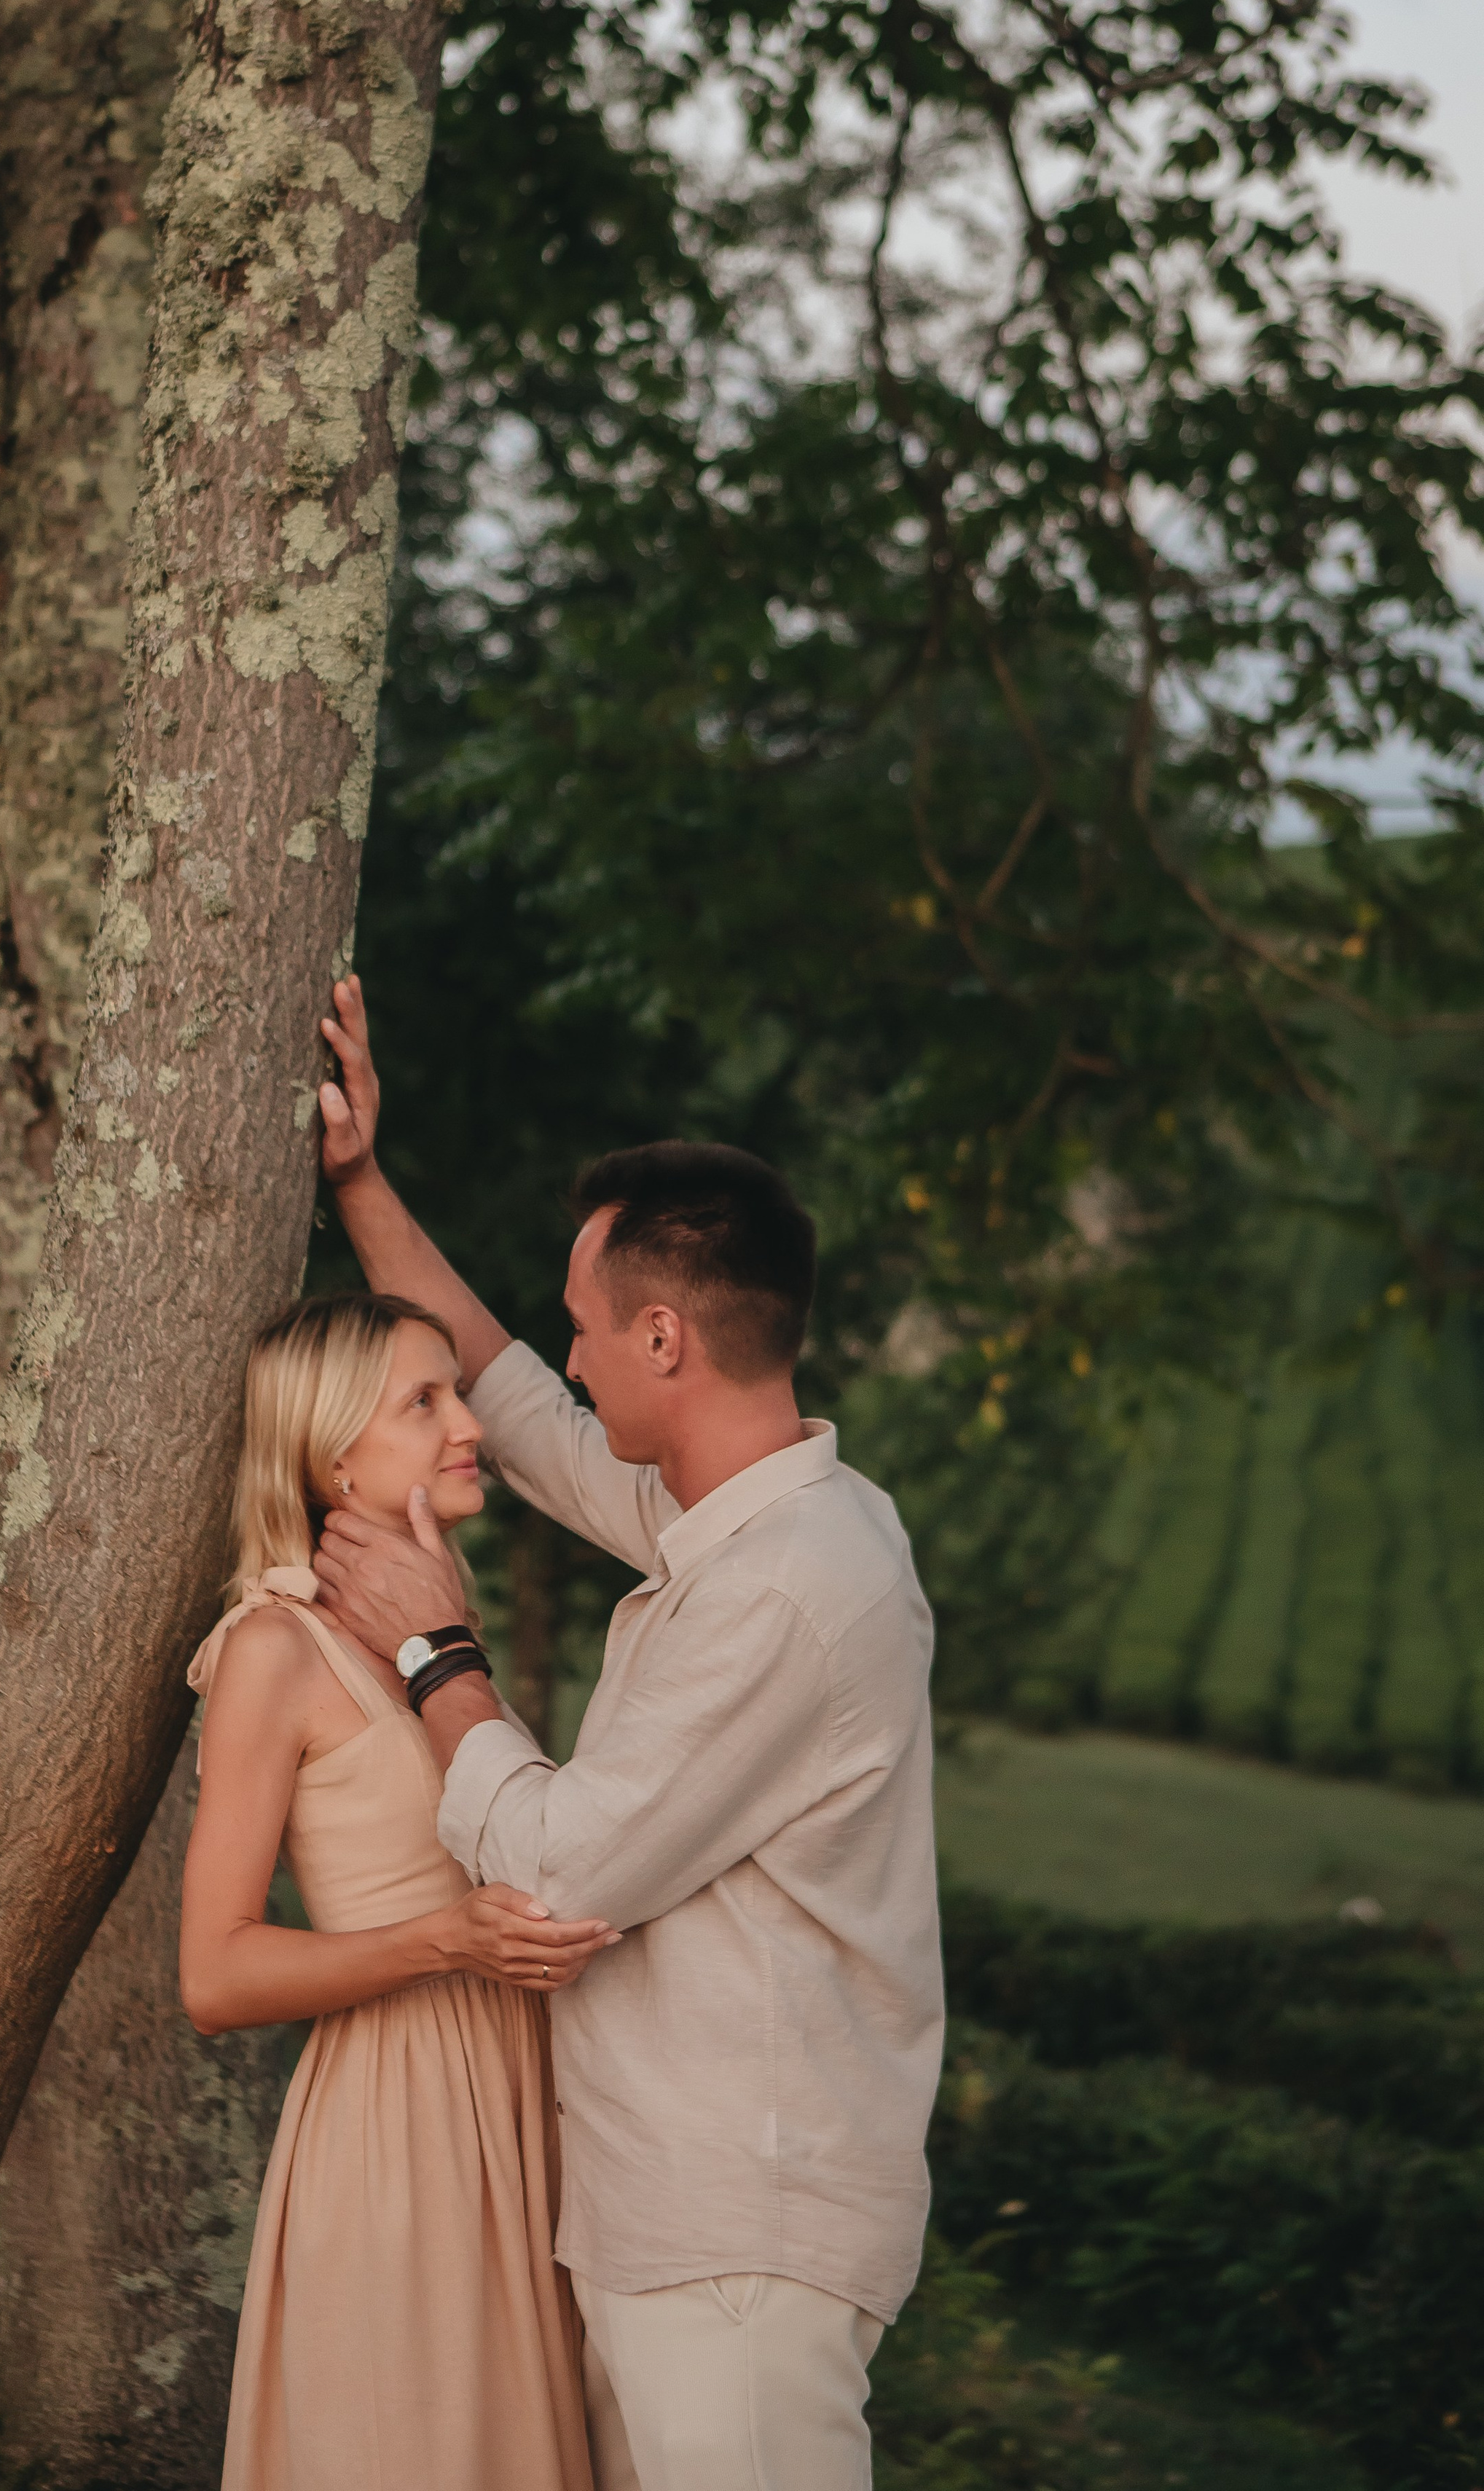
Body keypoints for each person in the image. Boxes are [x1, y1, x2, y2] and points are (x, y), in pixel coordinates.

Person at [310, 976, 945, 2491]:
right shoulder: (759, 1517)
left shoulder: (788, 1588)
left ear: (663, 1336)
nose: (572, 1357)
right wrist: (360, 1182)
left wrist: (435, 1650)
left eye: (589, 1328)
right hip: (676, 2219)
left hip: (741, 2239)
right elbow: (525, 1411)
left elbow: (558, 1872)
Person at [179, 1289, 612, 2491]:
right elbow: (214, 1972)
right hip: (400, 2123)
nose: (468, 1423)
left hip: (519, 2100)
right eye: (424, 1401)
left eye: (456, 1392)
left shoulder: (438, 1625)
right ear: (333, 1456)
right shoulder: (274, 1648)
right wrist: (445, 1942)